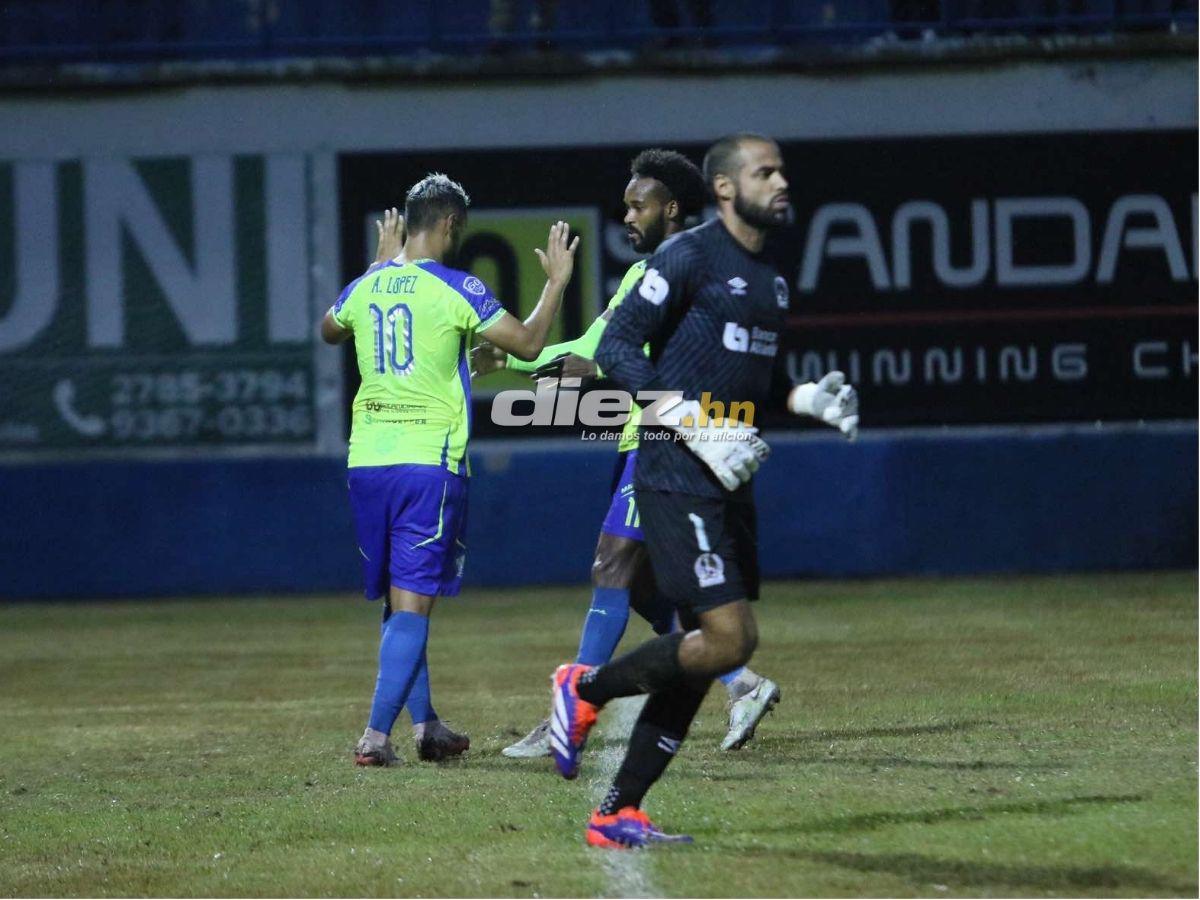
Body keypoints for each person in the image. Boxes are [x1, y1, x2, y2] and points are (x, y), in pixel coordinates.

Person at [552, 134, 858, 848]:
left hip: (725, 476)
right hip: (674, 469)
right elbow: (617, 347)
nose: (781, 180)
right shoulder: (686, 255)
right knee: (729, 637)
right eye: (765, 172)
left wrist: (807, 397)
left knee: (704, 647)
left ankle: (617, 811)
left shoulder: (771, 279)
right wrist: (688, 418)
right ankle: (584, 689)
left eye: (783, 168)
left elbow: (757, 380)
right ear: (724, 189)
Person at [476, 149, 781, 759]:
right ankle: (741, 681)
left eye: (637, 205)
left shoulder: (691, 265)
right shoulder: (649, 274)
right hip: (642, 437)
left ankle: (574, 708)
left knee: (610, 566)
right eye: (625, 205)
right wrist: (512, 359)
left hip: (666, 439)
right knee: (646, 590)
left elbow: (674, 354)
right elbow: (591, 347)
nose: (627, 216)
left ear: (670, 207)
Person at [320, 174, 579, 767]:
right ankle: (376, 738)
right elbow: (531, 344)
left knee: (399, 601)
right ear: (449, 225)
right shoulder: (458, 286)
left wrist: (373, 270)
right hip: (426, 468)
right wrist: (556, 283)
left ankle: (428, 724)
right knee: (413, 606)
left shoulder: (370, 285)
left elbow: (330, 328)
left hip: (367, 464)